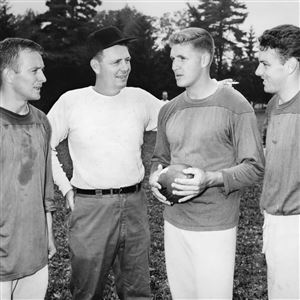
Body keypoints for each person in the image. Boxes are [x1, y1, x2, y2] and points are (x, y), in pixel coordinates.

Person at [47, 26, 163, 300]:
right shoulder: (72, 101)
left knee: (137, 291)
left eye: (128, 61)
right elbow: (44, 144)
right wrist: (65, 188)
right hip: (90, 209)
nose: (125, 67)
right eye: (116, 62)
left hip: (134, 205)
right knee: (87, 291)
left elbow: (176, 121)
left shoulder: (140, 98)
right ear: (95, 65)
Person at [149, 27, 264, 299]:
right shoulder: (169, 109)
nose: (174, 65)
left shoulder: (235, 106)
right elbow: (159, 159)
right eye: (172, 58)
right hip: (174, 223)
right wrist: (155, 177)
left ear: (204, 60)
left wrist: (209, 179)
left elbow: (254, 167)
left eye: (182, 58)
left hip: (215, 227)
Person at [0, 38, 56, 299]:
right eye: (34, 70)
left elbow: (45, 188)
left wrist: (48, 234)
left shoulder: (41, 122)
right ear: (10, 75)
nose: (43, 77)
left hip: (35, 255)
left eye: (42, 70)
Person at [255, 24, 300, 299]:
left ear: (291, 65)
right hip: (273, 222)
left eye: (265, 64)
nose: (258, 72)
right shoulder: (273, 106)